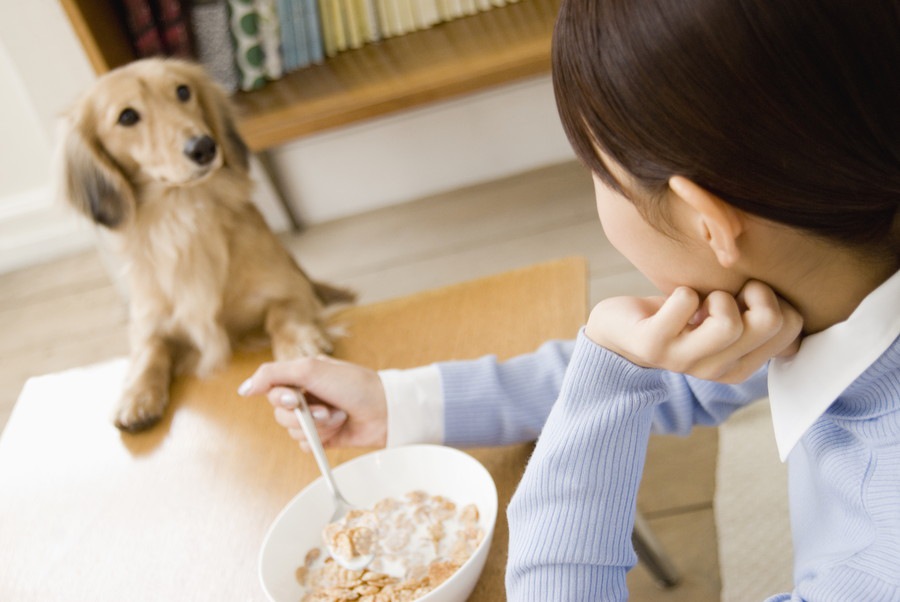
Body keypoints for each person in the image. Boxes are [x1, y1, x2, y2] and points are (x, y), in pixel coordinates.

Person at [238, 0, 900, 599]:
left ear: (707, 221)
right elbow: (687, 375)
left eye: (596, 169)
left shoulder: (877, 563)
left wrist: (607, 371)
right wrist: (402, 404)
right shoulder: (843, 269)